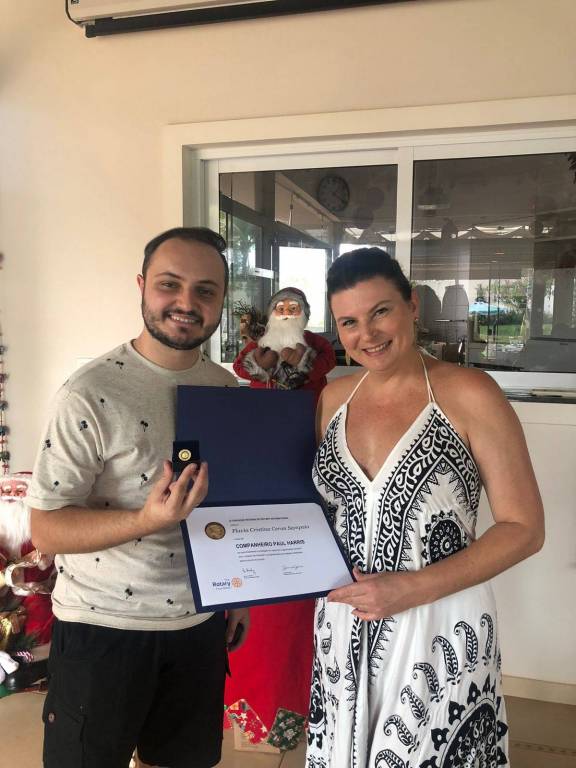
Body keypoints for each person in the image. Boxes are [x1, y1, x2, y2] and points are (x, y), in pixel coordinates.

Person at [306, 248, 544, 768]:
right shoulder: (332, 399)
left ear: (412, 306)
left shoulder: (470, 392)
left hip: (440, 626)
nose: (367, 334)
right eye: (349, 322)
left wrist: (409, 588)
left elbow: (524, 528)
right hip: (343, 626)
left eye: (381, 312)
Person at [27, 227, 250, 768]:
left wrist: (239, 592)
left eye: (205, 290)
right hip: (103, 630)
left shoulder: (227, 391)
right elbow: (46, 530)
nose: (186, 303)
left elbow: (230, 507)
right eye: (169, 284)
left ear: (222, 299)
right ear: (142, 286)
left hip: (198, 627)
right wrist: (146, 520)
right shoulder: (90, 392)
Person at [233, 287, 336, 401]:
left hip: (305, 403)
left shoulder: (313, 340)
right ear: (272, 314)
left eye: (293, 308)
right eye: (281, 309)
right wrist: (257, 367)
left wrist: (307, 366)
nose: (286, 313)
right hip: (263, 403)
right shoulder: (261, 342)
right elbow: (238, 366)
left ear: (303, 313)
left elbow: (330, 358)